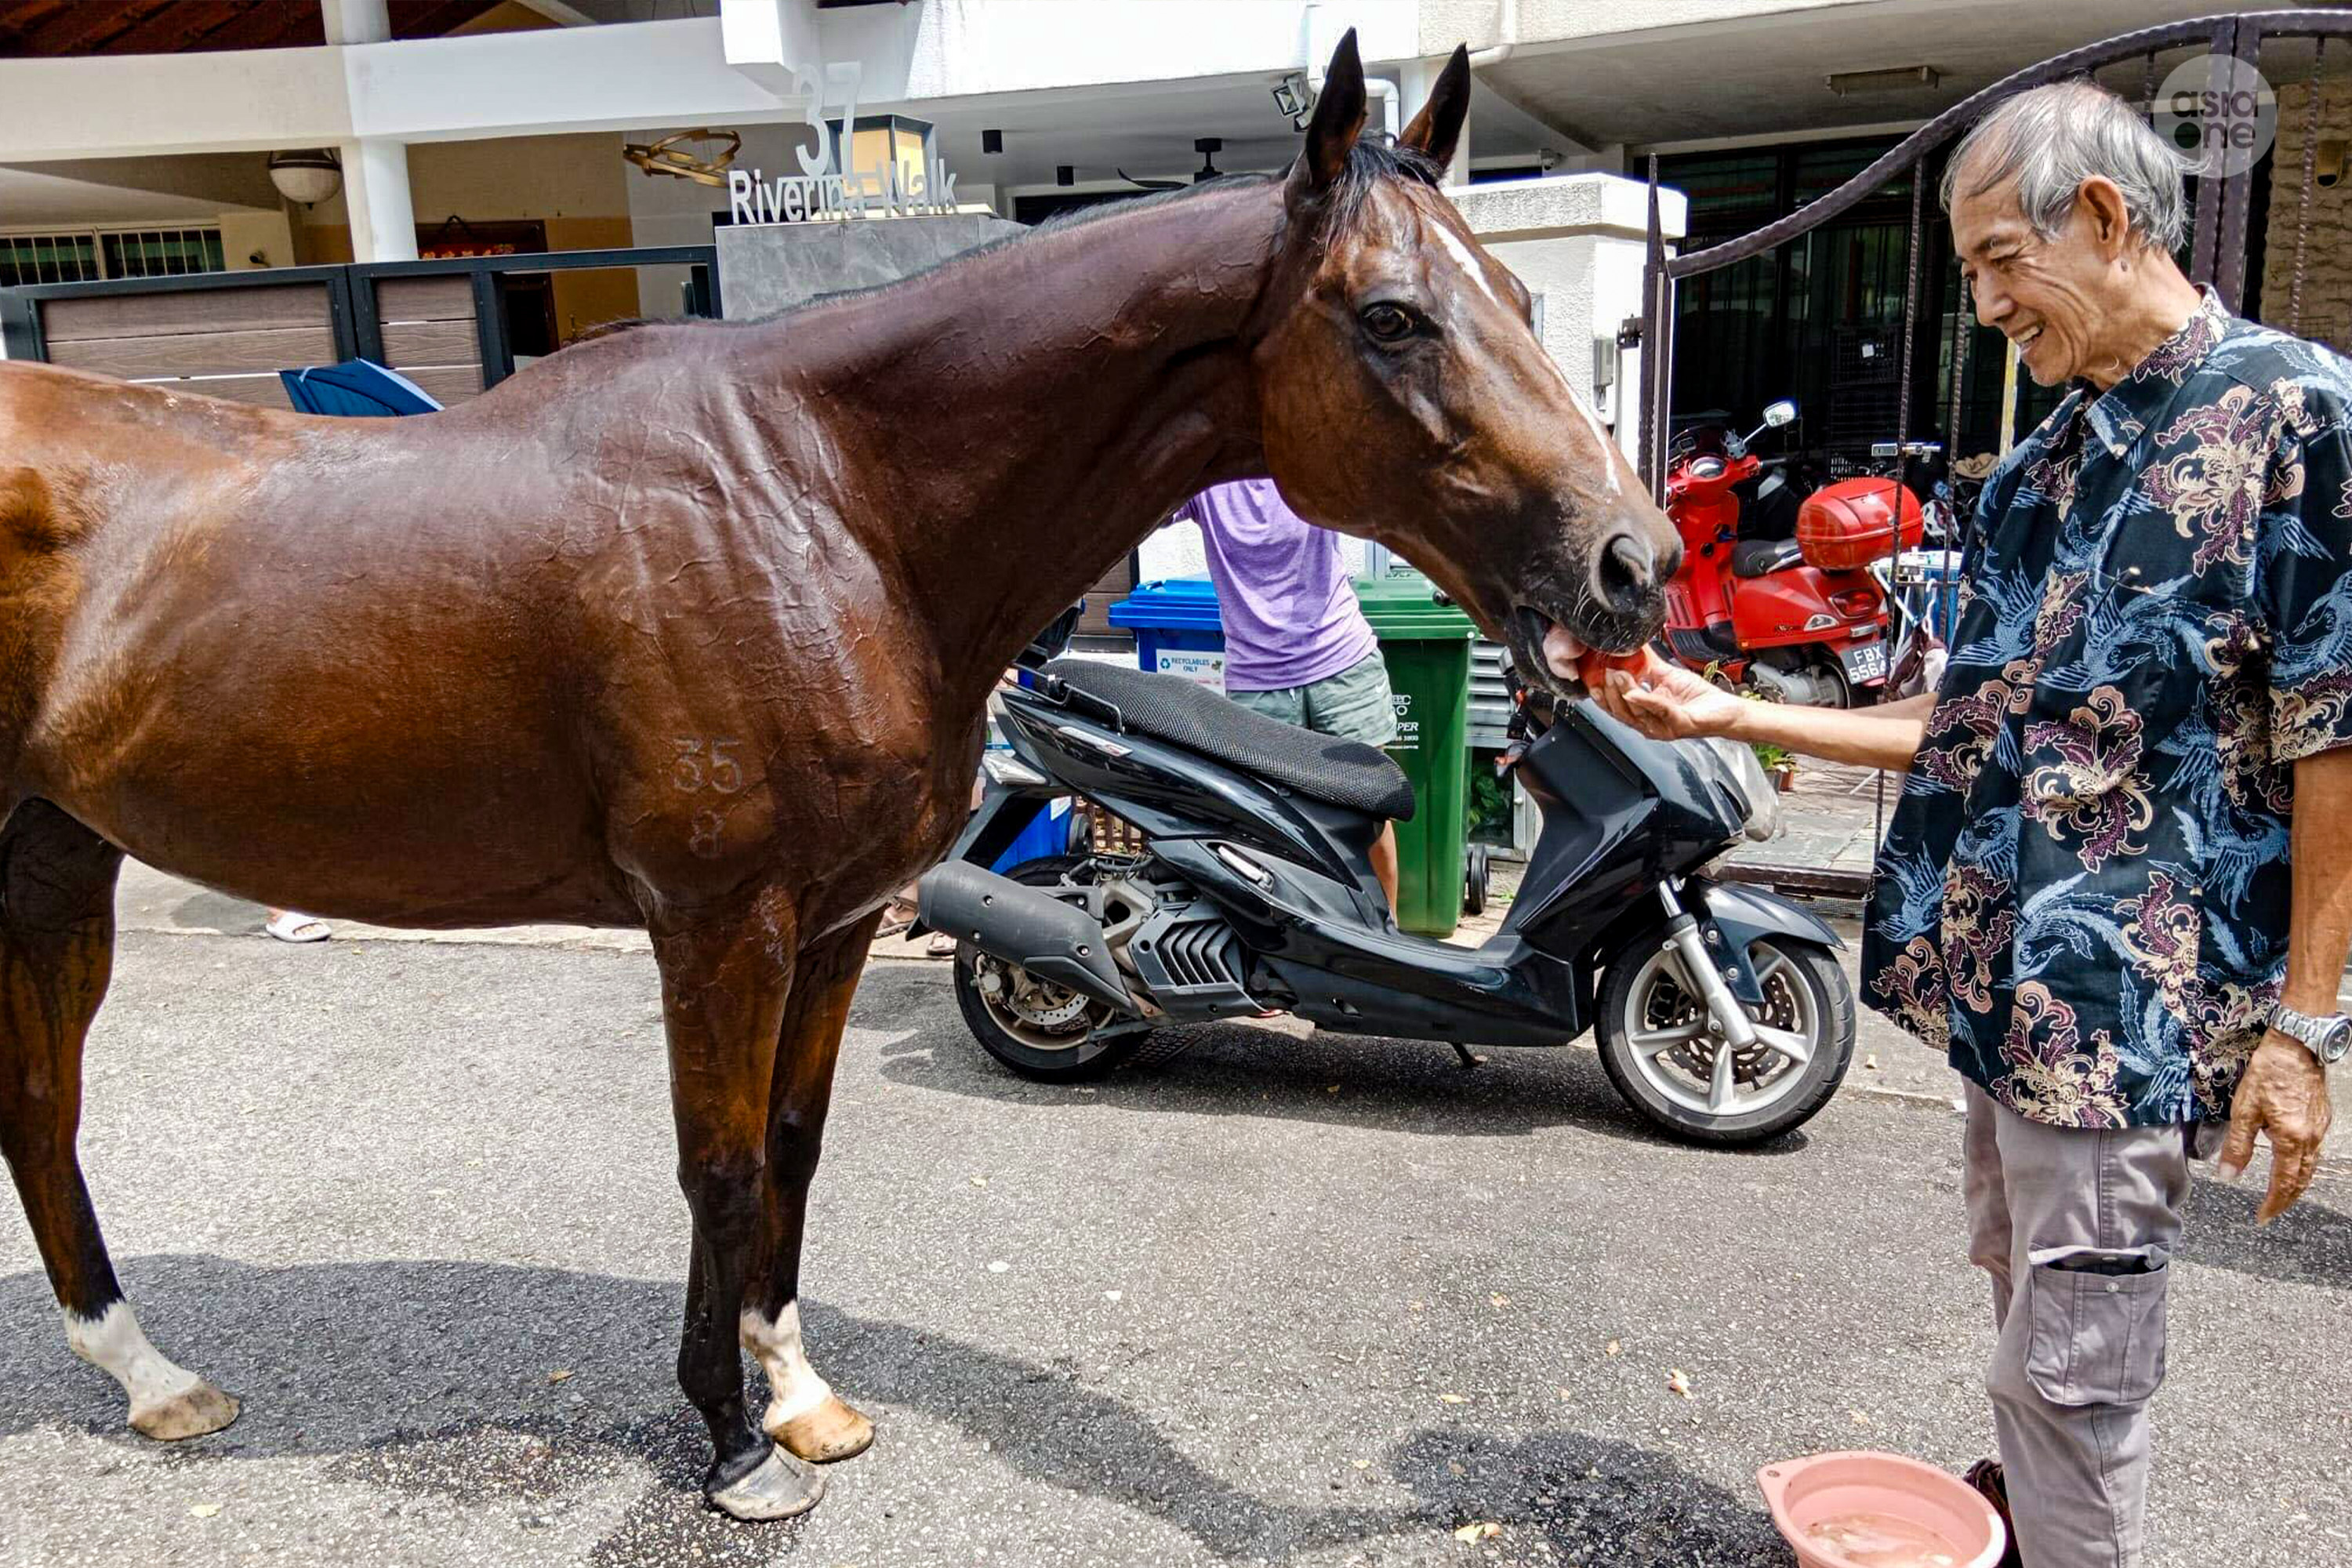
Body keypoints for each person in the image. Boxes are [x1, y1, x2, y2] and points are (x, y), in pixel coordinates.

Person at [1597, 81, 2350, 1568]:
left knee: (2075, 1376)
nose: (1987, 300)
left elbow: (2342, 736)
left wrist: (2307, 1031)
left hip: (2133, 1017)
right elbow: (1964, 720)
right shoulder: (2044, 466)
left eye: (2004, 258)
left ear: (2110, 218)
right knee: (2026, 1301)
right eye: (1969, 270)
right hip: (2010, 1001)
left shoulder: (2297, 415)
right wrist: (1724, 713)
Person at [1171, 477, 1400, 909]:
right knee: (1271, 828)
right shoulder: (1208, 479)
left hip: (1341, 664)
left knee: (1368, 816)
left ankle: (1392, 937)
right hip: (1258, 682)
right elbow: (1142, 499)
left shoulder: (1299, 457)